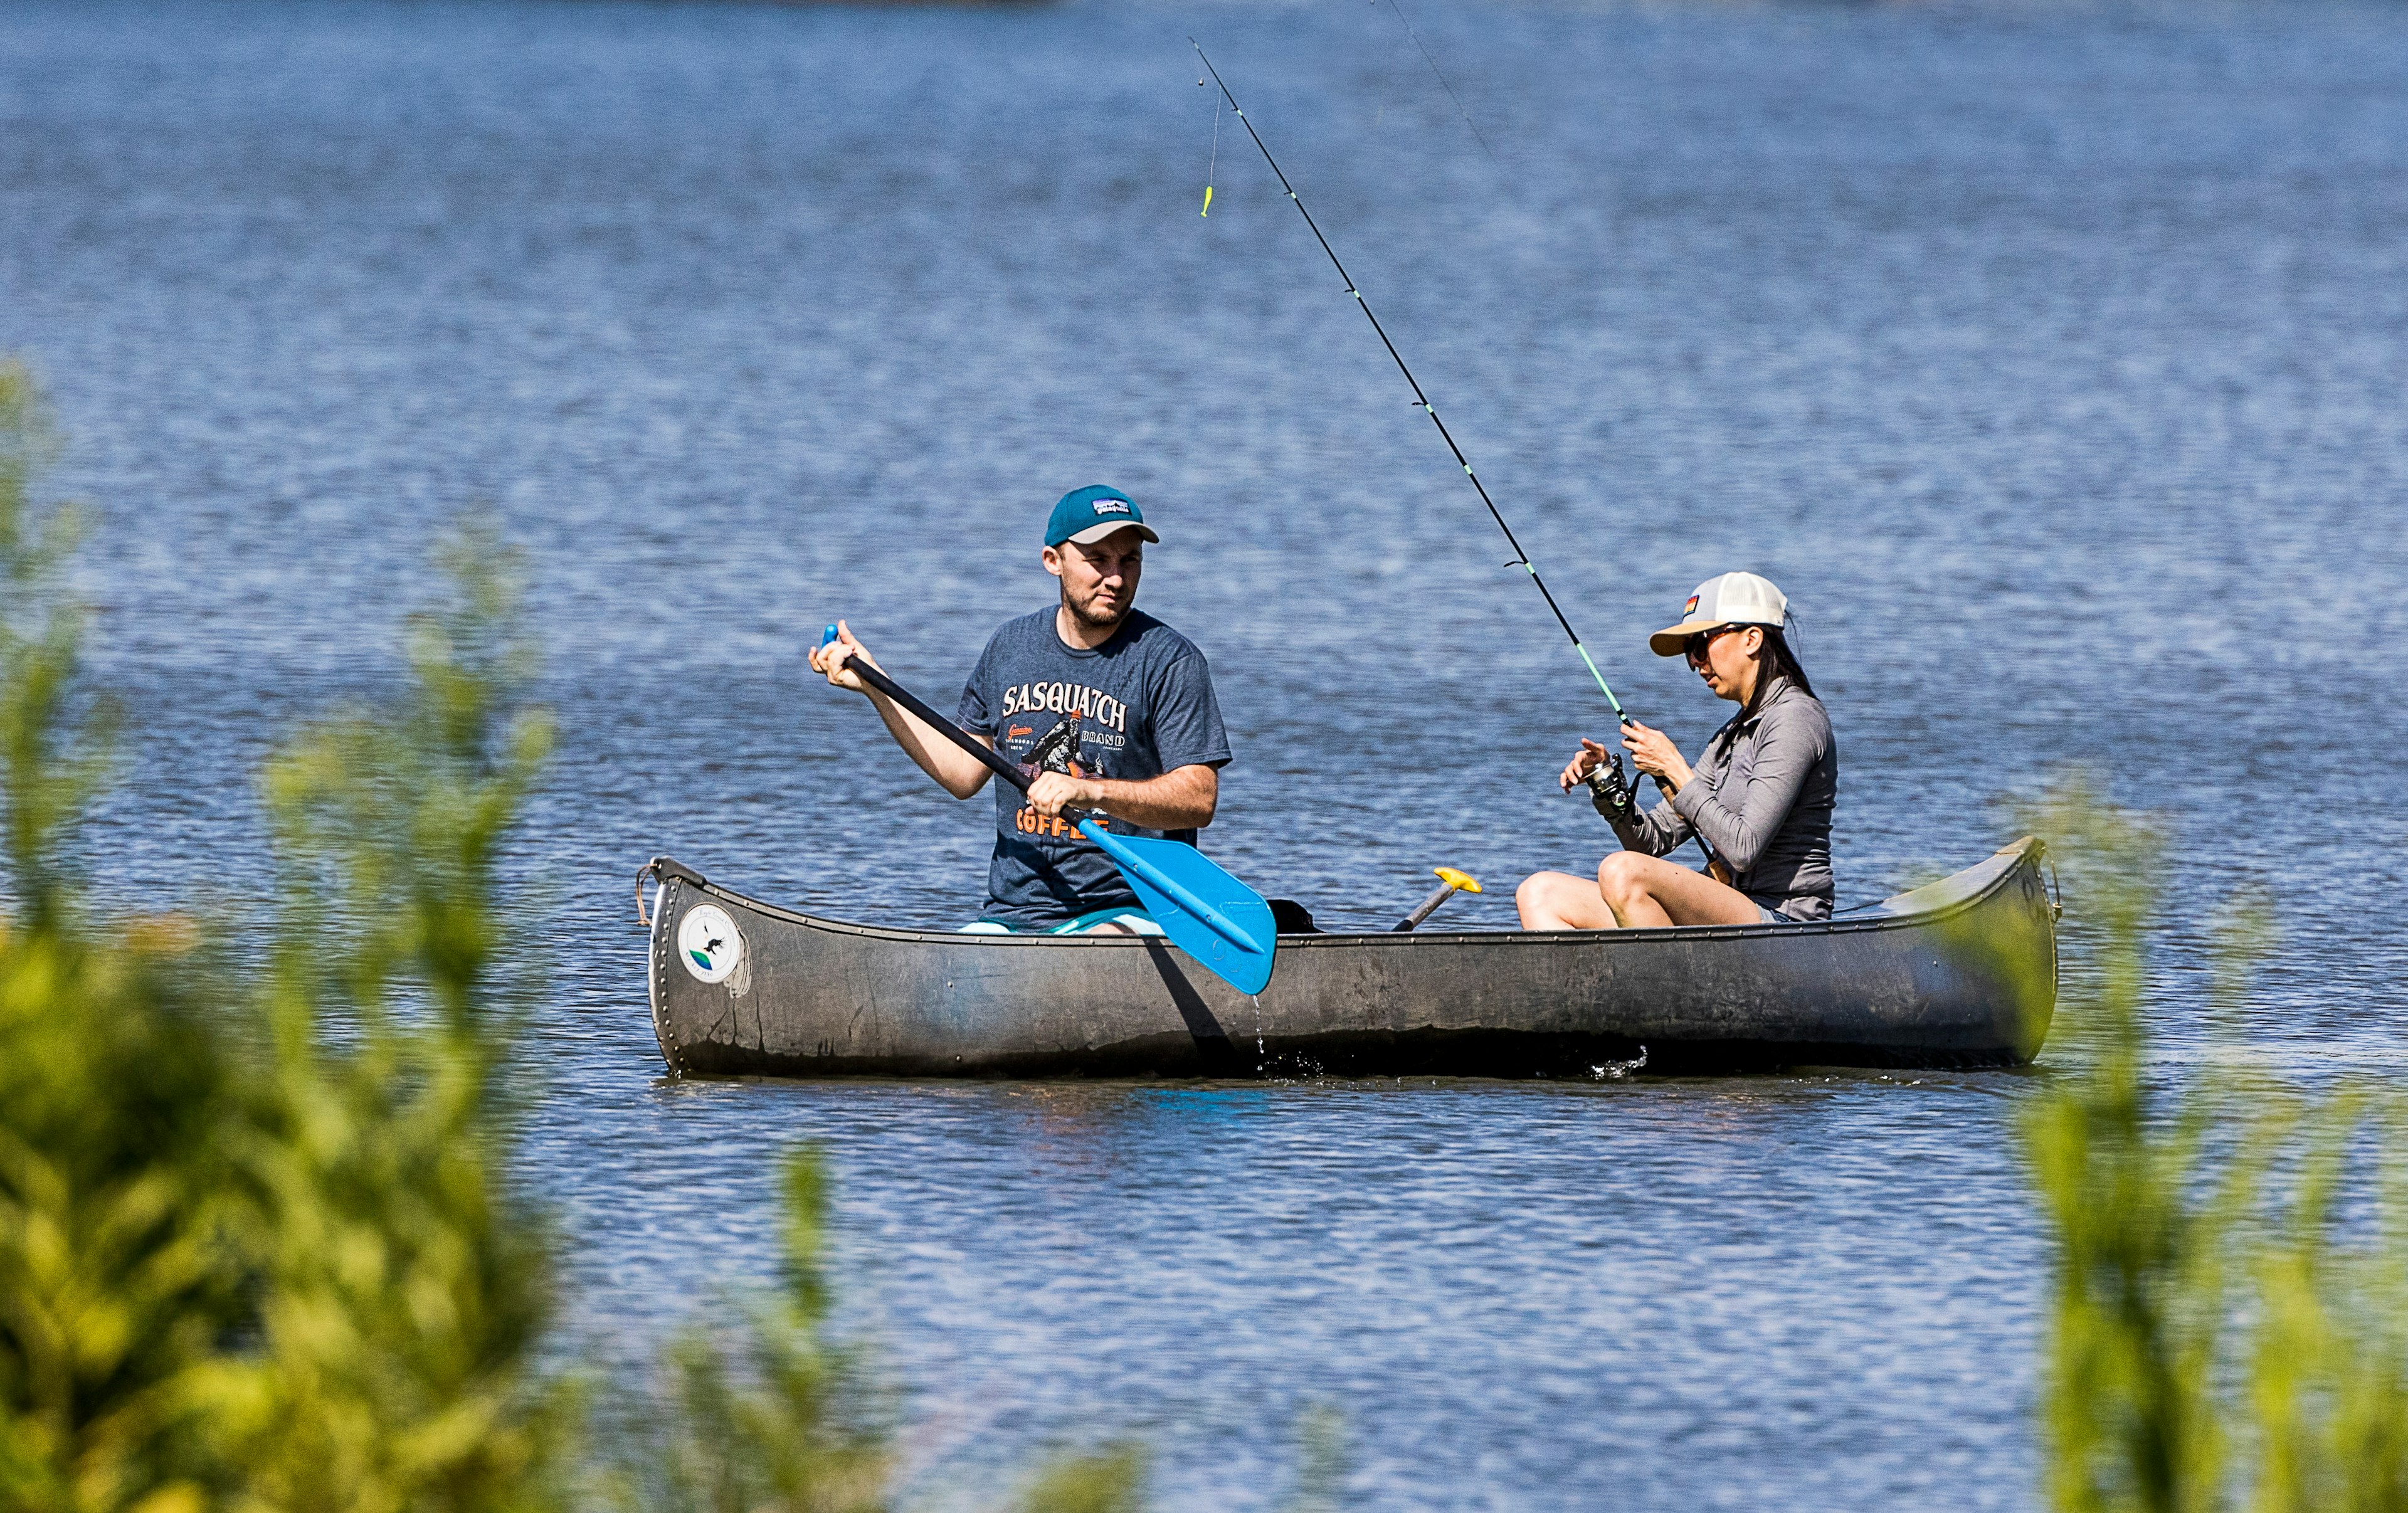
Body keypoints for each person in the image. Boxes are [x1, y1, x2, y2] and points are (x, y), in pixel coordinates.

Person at [809, 485, 1233, 936]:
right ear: (1053, 560)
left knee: (1086, 952)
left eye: (1129, 560)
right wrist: (879, 685)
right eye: (1098, 560)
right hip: (1013, 916)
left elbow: (1198, 798)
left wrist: (1090, 792)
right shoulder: (1010, 648)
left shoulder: (1170, 661)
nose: (1116, 577)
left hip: (1132, 912)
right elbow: (961, 773)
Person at [1515, 571, 1835, 930]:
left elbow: (1744, 849)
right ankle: (1601, 986)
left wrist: (1675, 769)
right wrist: (1605, 783)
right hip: (1727, 907)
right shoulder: (1731, 734)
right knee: (1540, 892)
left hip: (1783, 920)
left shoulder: (1795, 719)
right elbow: (1652, 842)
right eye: (1688, 652)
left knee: (1621, 872)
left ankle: (1666, 984)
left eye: (1701, 643)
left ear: (1752, 639)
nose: (1694, 662)